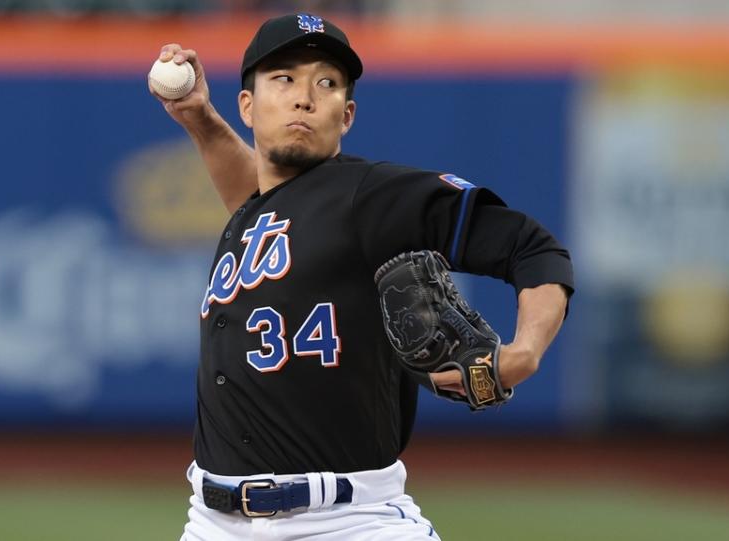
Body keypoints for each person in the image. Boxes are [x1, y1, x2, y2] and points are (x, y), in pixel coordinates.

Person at [150, 13, 574, 541]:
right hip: (214, 523)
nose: (304, 97)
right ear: (248, 106)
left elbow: (532, 248)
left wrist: (525, 351)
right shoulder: (259, 215)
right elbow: (260, 199)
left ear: (346, 115)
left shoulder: (373, 195)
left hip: (347, 521)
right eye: (283, 78)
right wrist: (199, 118)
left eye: (325, 83)